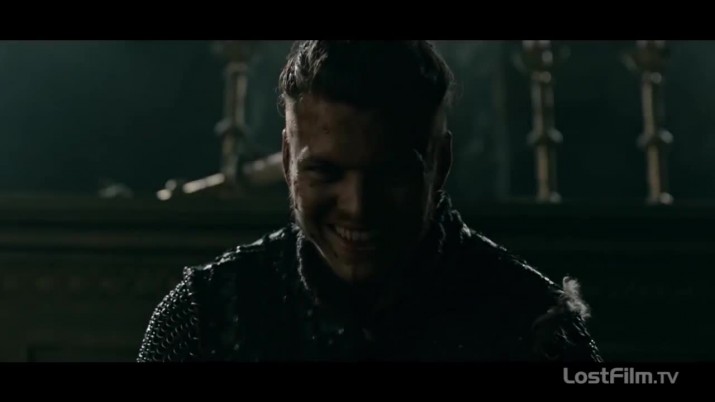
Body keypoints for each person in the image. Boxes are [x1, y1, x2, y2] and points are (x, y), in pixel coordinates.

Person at [137, 40, 602, 362]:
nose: (358, 206)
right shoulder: (206, 318)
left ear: (440, 163)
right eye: (326, 172)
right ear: (288, 161)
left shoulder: (534, 327)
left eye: (391, 174)